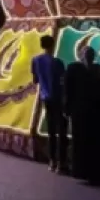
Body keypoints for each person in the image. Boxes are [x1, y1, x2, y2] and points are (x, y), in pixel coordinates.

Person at [65, 46, 100, 188]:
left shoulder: (97, 69)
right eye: (85, 53)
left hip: (99, 113)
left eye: (90, 53)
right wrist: (67, 108)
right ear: (80, 55)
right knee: (87, 143)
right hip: (84, 113)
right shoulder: (76, 69)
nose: (88, 55)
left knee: (99, 143)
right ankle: (90, 173)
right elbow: (68, 90)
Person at [32, 35, 68, 173]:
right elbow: (62, 82)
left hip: (45, 98)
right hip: (58, 98)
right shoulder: (58, 62)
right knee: (62, 131)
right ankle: (62, 162)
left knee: (51, 130)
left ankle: (52, 161)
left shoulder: (36, 60)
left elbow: (35, 80)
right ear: (53, 45)